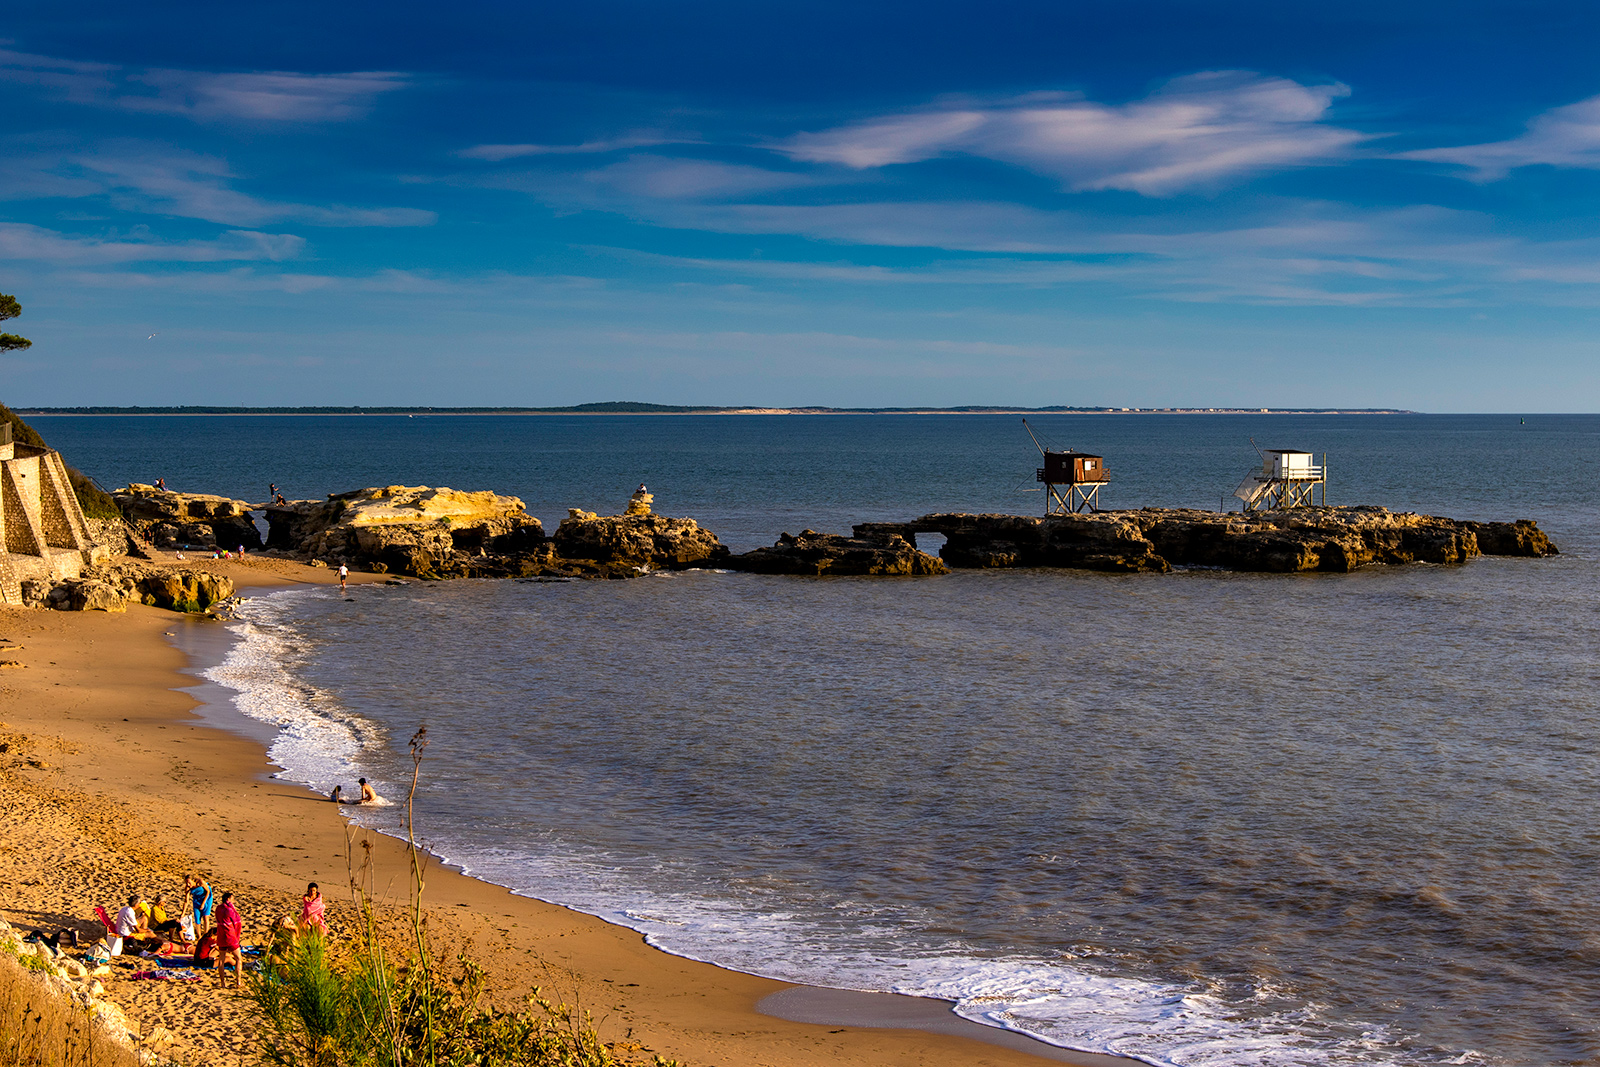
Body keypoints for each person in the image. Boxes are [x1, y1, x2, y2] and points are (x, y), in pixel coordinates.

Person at [214, 891, 244, 988]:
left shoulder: (218, 908)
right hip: (230, 936)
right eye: (232, 899)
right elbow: (237, 922)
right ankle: (238, 981)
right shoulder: (229, 910)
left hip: (221, 936)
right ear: (228, 899)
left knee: (221, 959)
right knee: (238, 958)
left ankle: (222, 982)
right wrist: (237, 936)